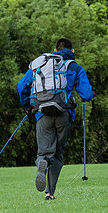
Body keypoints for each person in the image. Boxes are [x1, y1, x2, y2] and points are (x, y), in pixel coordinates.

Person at [17, 37, 93, 200]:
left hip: (42, 113)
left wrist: (28, 106)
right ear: (72, 51)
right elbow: (87, 95)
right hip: (64, 115)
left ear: (55, 50)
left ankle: (42, 163)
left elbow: (22, 86)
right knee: (58, 152)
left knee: (44, 151)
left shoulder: (40, 64)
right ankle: (50, 193)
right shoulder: (75, 67)